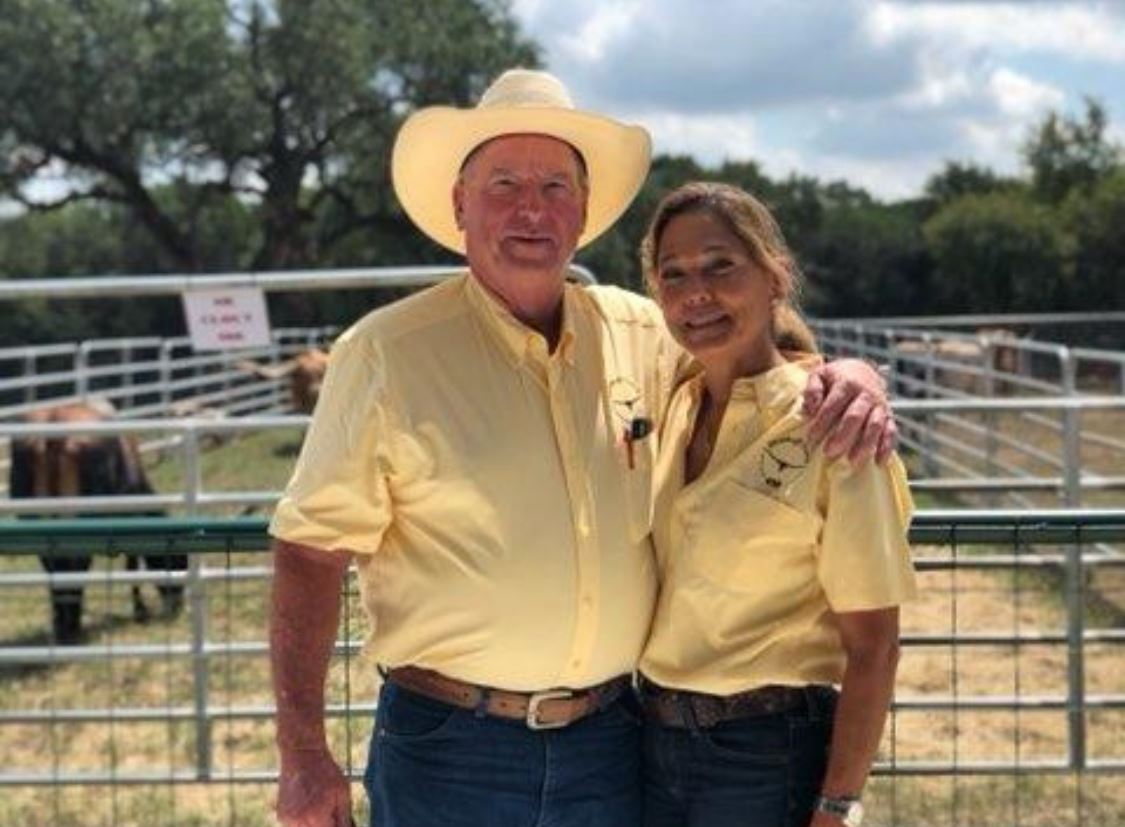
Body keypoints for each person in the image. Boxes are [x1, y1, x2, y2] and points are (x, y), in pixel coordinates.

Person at [268, 70, 896, 827]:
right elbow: (309, 551)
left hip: (611, 738)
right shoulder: (386, 353)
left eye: (556, 186)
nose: (532, 208)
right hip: (450, 742)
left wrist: (850, 373)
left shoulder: (641, 330)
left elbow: (751, 349)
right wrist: (302, 751)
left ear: (585, 210)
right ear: (460, 204)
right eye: (504, 183)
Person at [636, 181, 917, 827]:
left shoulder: (834, 427)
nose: (695, 291)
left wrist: (836, 803)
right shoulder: (669, 409)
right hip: (648, 744)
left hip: (766, 753)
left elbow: (873, 644)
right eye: (672, 274)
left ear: (774, 276)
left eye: (719, 265)